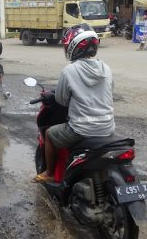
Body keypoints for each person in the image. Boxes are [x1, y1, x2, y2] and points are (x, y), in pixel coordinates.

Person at [33, 23, 115, 183]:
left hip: (81, 129)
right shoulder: (106, 68)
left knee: (49, 134)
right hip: (108, 128)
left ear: (73, 47)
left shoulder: (70, 70)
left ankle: (49, 173)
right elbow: (110, 91)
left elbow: (62, 100)